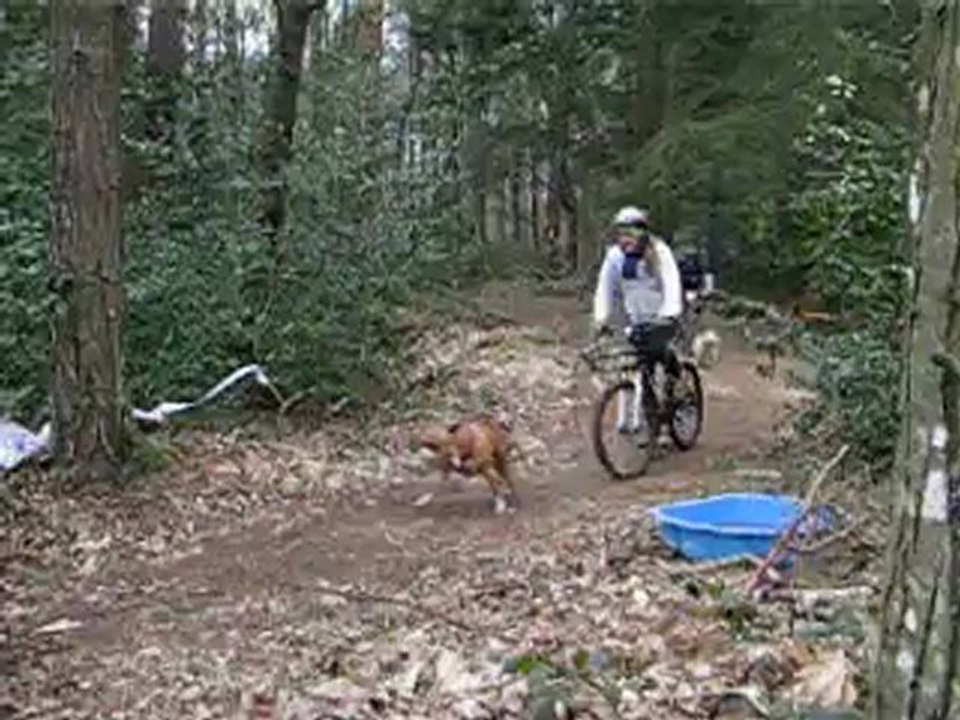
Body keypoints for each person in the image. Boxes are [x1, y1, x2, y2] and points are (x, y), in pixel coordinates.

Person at [592, 206, 683, 407]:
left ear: (642, 233)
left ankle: (676, 394)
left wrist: (670, 313)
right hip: (637, 319)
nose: (625, 240)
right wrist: (601, 318)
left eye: (630, 234)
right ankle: (652, 421)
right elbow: (604, 289)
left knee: (662, 355)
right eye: (621, 235)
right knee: (643, 367)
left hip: (661, 318)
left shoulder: (659, 251)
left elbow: (671, 282)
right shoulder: (615, 257)